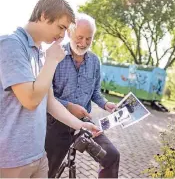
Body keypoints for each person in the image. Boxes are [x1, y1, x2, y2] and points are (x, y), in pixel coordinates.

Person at [0, 0, 101, 178]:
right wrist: (52, 61)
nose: (62, 36)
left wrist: (81, 125)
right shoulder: (11, 44)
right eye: (61, 27)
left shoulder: (38, 52)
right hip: (12, 160)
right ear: (45, 16)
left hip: (38, 155)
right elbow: (30, 100)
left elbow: (50, 103)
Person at [45, 13, 120, 178]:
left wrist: (105, 104)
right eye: (80, 37)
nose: (83, 43)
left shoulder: (95, 61)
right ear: (70, 33)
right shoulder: (55, 55)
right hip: (56, 122)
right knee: (48, 171)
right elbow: (45, 95)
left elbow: (95, 93)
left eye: (89, 39)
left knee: (111, 156)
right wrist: (69, 107)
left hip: (84, 124)